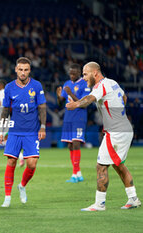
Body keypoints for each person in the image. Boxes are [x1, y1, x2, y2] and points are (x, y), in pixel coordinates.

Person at [66, 61, 141, 211]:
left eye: (85, 74)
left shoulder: (100, 86)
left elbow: (89, 99)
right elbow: (124, 98)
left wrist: (76, 104)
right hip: (125, 128)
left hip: (115, 132)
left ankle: (99, 203)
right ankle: (133, 199)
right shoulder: (112, 82)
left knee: (101, 166)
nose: (84, 77)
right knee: (118, 165)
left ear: (95, 73)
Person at [0, 57, 46, 207]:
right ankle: (7, 197)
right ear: (16, 70)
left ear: (29, 70)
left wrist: (43, 126)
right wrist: (1, 130)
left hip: (32, 131)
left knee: (31, 164)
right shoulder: (9, 87)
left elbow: (42, 107)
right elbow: (5, 110)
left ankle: (22, 185)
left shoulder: (37, 86)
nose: (23, 72)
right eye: (20, 69)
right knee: (11, 161)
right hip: (14, 131)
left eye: (26, 70)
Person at [56, 64, 90, 183]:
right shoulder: (67, 83)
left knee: (76, 143)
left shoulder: (84, 84)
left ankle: (74, 174)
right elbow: (60, 104)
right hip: (68, 118)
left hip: (79, 118)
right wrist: (59, 97)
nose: (72, 75)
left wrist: (70, 93)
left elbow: (84, 102)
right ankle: (78, 173)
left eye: (74, 73)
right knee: (70, 145)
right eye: (70, 73)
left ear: (79, 73)